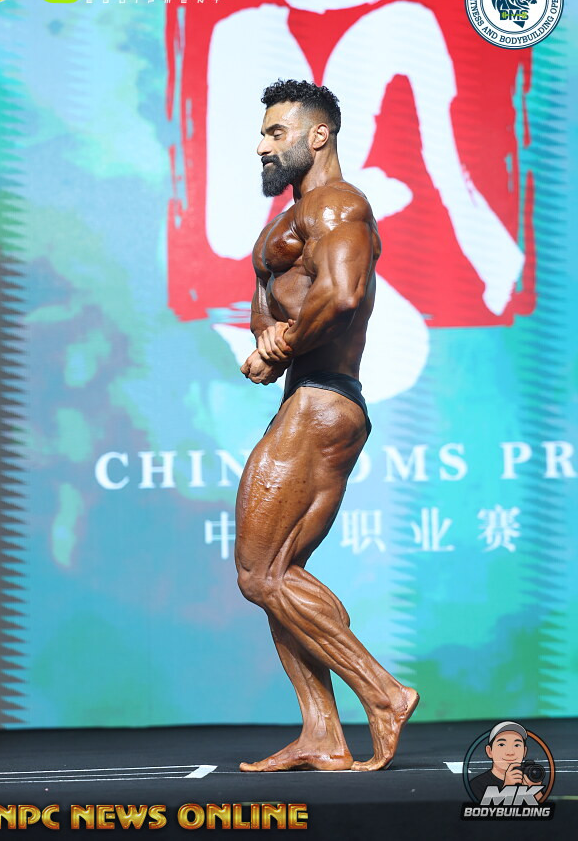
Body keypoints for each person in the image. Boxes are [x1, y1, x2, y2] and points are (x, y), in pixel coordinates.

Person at [235, 79, 419, 772]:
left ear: (319, 136)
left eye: (276, 132)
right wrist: (268, 338)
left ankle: (384, 694)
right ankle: (322, 732)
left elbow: (342, 295)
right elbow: (280, 301)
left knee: (259, 573)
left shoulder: (338, 204)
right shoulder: (295, 217)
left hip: (319, 400)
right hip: (311, 397)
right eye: (262, 132)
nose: (262, 145)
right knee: (283, 574)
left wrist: (278, 346)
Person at [470, 722, 544, 802]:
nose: (510, 752)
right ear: (489, 751)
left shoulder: (529, 778)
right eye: (502, 745)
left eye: (517, 745)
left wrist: (535, 790)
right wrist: (507, 788)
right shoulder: (477, 784)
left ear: (524, 752)